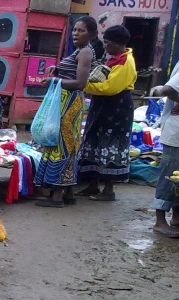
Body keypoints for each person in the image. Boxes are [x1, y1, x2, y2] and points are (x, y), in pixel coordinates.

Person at [34, 17, 97, 208]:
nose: (76, 34)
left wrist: (54, 81)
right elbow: (72, 75)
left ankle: (56, 197)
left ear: (92, 34)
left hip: (69, 104)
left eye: (81, 31)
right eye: (75, 30)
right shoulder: (80, 51)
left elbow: (80, 83)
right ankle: (68, 193)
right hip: (66, 103)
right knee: (67, 144)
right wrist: (58, 70)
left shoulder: (85, 52)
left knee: (61, 145)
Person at [77, 25, 136, 202]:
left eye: (107, 42)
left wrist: (83, 85)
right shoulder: (114, 58)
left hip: (116, 108)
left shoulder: (125, 62)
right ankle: (93, 184)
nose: (105, 46)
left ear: (117, 43)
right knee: (94, 142)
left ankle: (108, 190)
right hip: (102, 106)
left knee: (111, 147)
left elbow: (110, 88)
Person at [148, 62, 179, 236]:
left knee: (177, 177)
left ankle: (176, 216)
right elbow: (167, 89)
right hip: (176, 133)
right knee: (169, 176)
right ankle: (160, 221)